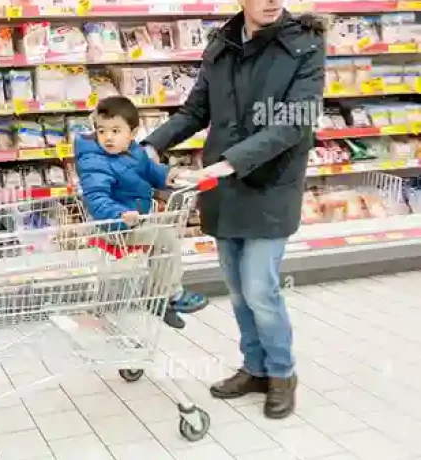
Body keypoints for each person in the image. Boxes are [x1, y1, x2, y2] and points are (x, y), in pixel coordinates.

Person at [140, 0, 326, 419]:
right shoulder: (221, 44)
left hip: (270, 182)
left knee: (261, 287)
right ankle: (255, 367)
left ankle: (282, 373)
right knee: (240, 292)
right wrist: (153, 143)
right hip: (224, 186)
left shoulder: (305, 43)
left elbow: (295, 122)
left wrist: (232, 160)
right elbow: (196, 110)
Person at [75, 95, 210, 329]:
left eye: (116, 131)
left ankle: (159, 295)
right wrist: (118, 215)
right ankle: (167, 295)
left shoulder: (134, 152)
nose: (108, 137)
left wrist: (168, 175)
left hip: (135, 219)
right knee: (165, 239)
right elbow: (96, 198)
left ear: (132, 133)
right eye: (102, 130)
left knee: (162, 238)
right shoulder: (93, 160)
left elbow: (149, 170)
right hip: (113, 226)